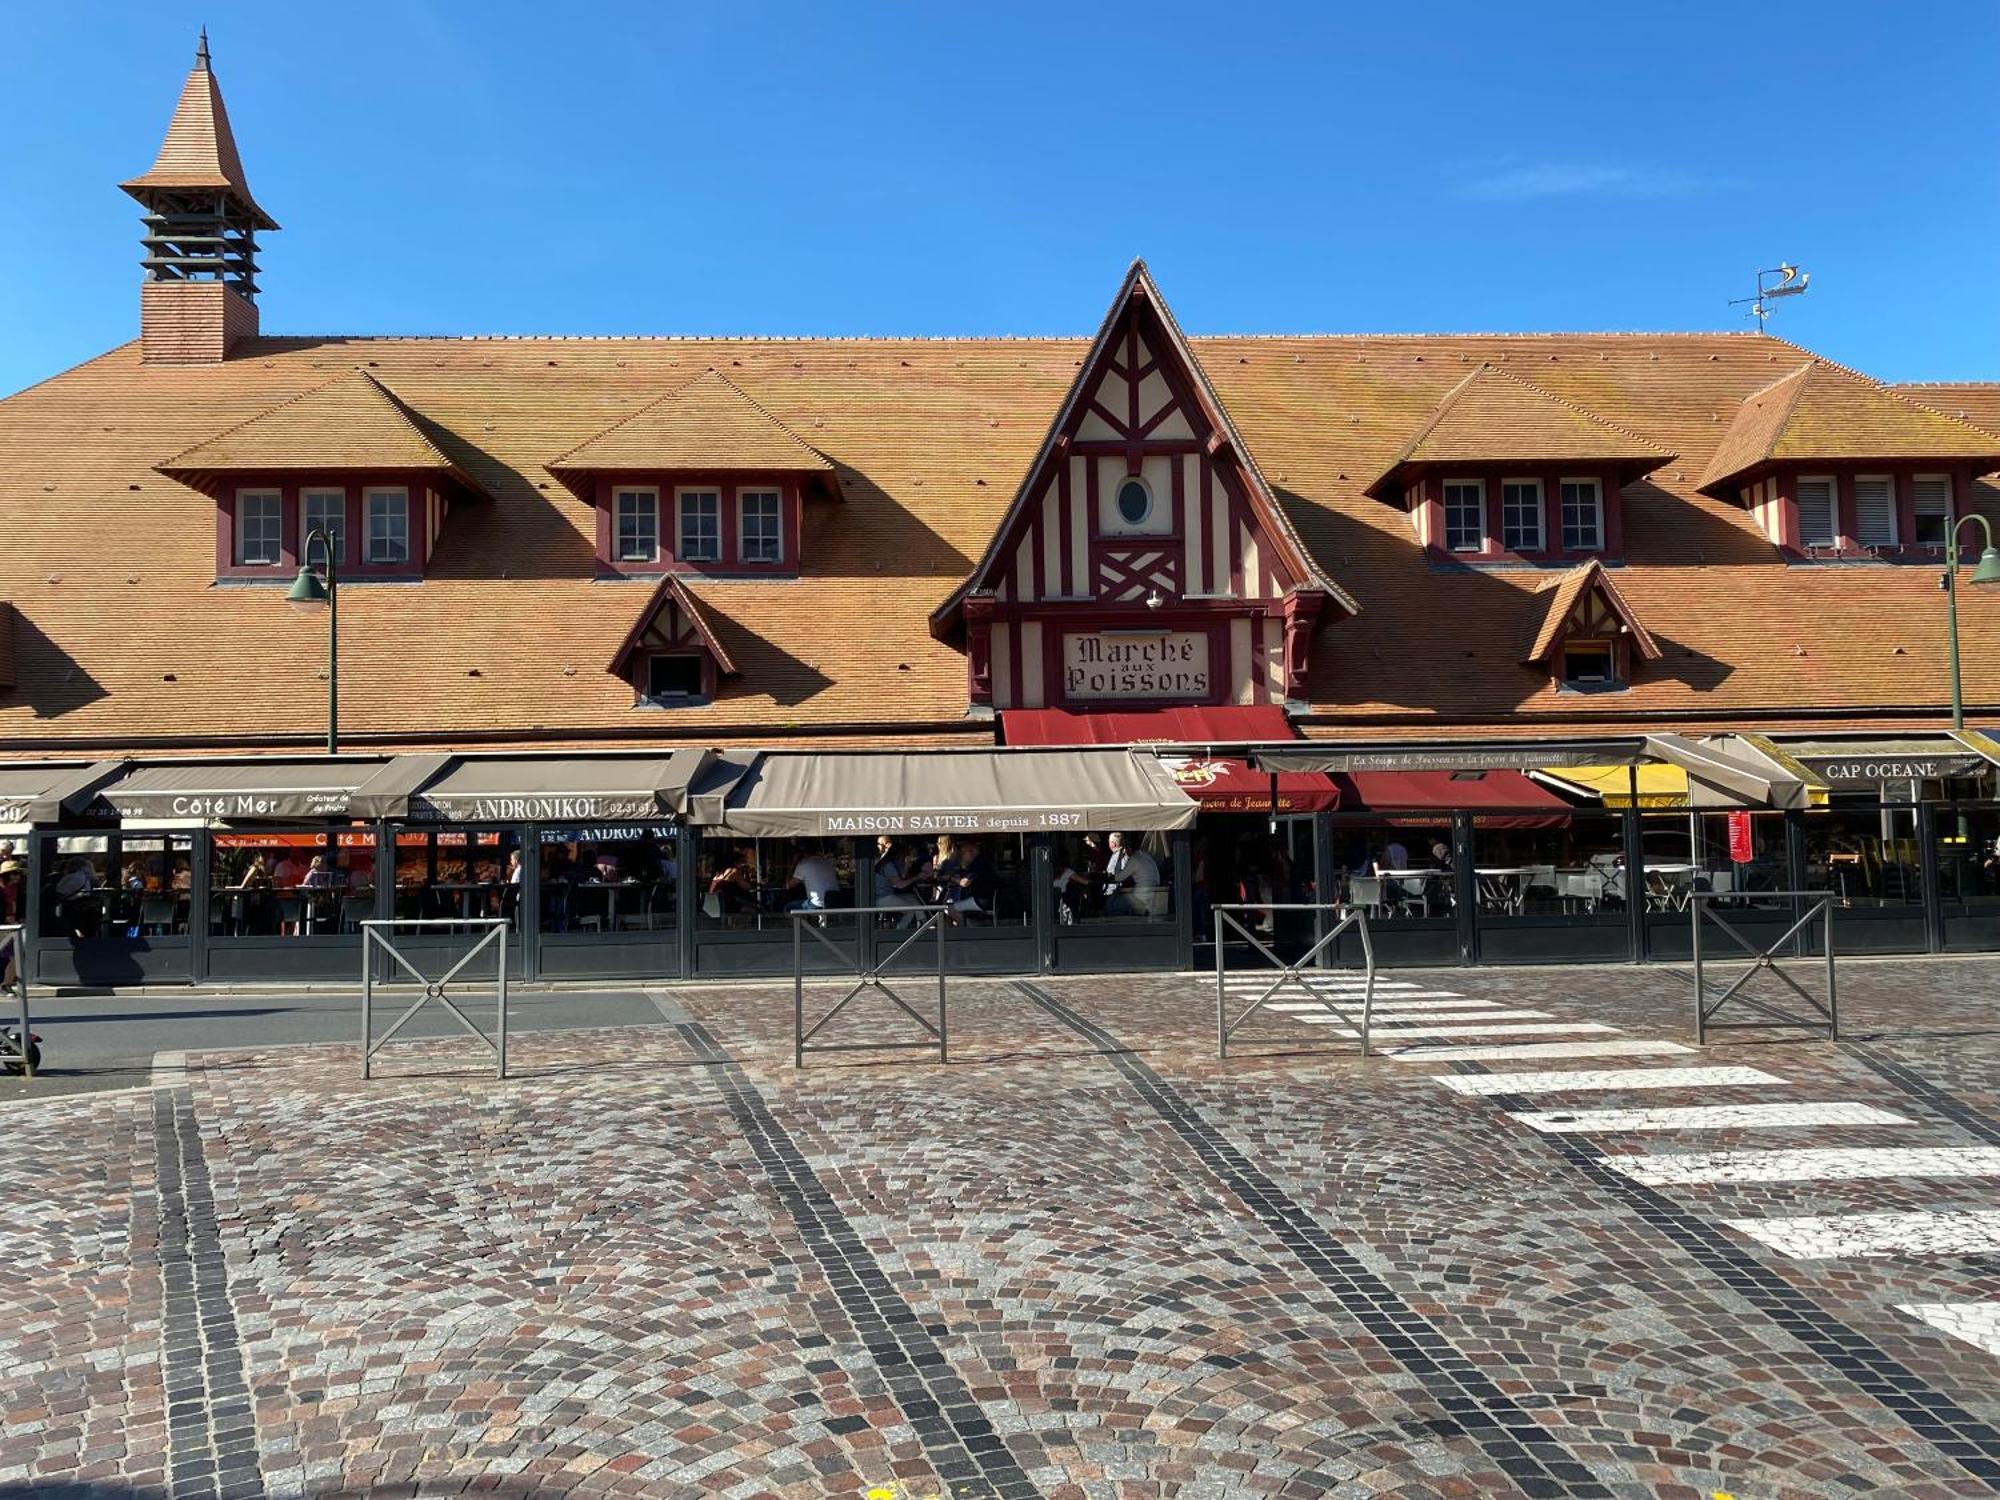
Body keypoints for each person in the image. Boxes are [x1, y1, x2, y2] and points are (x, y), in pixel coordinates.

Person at [1102, 832, 1162, 917]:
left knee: (1111, 905)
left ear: (1129, 848)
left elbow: (1118, 877)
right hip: (1153, 893)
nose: (1125, 851)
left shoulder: (1134, 859)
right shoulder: (1145, 856)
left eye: (1126, 848)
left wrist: (1119, 858)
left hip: (1141, 896)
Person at [872, 836, 923, 926]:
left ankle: (924, 923)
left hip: (881, 895)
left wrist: (907, 866)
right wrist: (918, 876)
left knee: (912, 898)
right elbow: (900, 885)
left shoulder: (880, 862)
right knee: (910, 910)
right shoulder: (887, 865)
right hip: (883, 898)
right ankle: (900, 934)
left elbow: (898, 879)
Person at [946, 838, 995, 920]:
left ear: (970, 851)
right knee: (957, 905)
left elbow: (965, 883)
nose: (962, 856)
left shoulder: (977, 863)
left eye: (963, 853)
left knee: (949, 909)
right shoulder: (983, 860)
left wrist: (950, 878)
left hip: (981, 900)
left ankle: (968, 928)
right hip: (987, 898)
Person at [787, 842, 843, 912]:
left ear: (803, 853)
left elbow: (789, 885)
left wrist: (793, 864)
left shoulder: (803, 864)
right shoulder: (827, 862)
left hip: (818, 904)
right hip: (834, 901)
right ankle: (807, 922)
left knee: (788, 908)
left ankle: (802, 923)